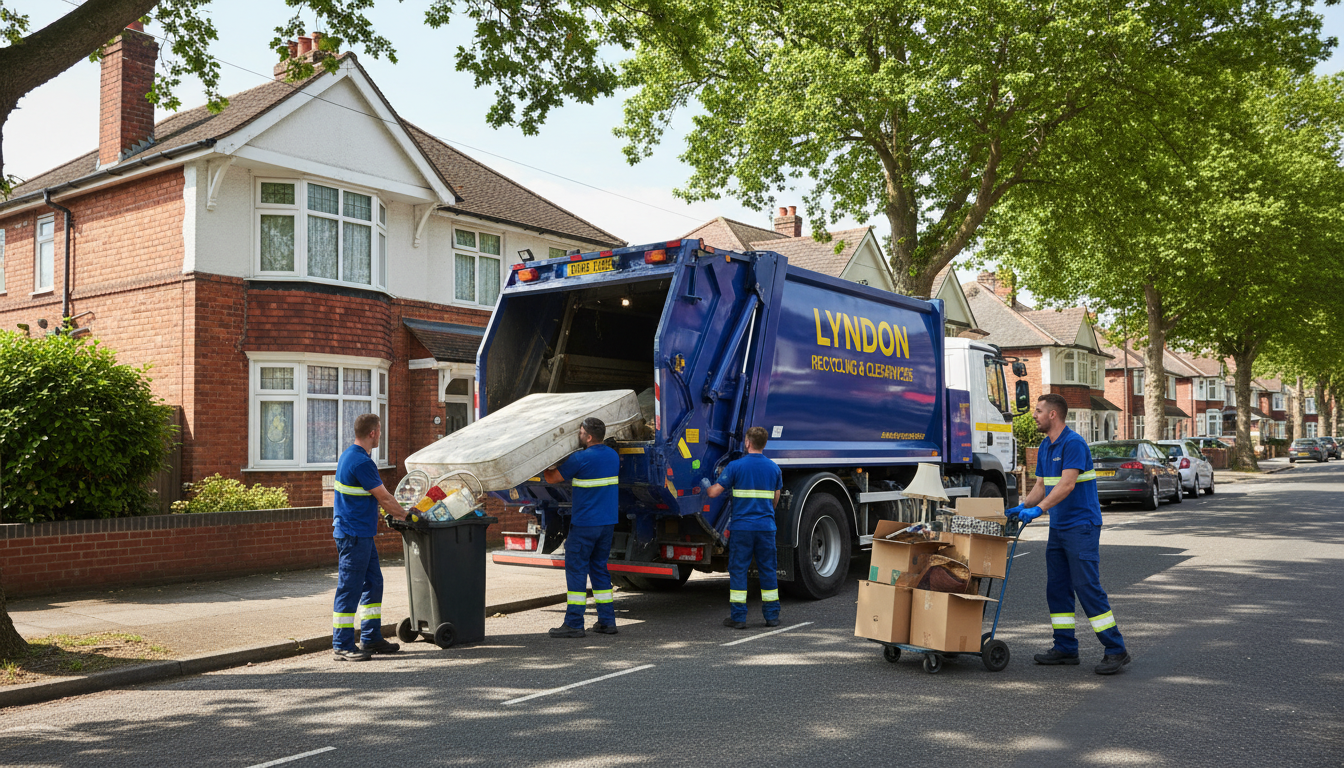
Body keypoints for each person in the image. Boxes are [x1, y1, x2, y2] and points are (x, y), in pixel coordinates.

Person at [1008, 393, 1131, 675]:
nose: (1034, 415)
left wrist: (1037, 510)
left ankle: (1116, 649)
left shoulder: (1073, 443)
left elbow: (1066, 485)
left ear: (1053, 414)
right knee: (1057, 588)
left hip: (1081, 526)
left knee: (1086, 586)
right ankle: (1065, 647)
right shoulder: (1045, 446)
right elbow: (1042, 484)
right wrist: (1021, 506)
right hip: (1060, 527)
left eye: (1038, 411)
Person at [331, 413, 409, 662]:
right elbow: (384, 497)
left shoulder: (349, 455)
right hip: (353, 534)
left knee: (373, 582)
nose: (380, 435)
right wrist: (407, 516)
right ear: (373, 433)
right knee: (350, 588)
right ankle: (342, 644)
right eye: (380, 431)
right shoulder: (362, 462)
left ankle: (371, 638)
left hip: (360, 533)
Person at [543, 417, 620, 638]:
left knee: (577, 570)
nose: (578, 434)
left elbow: (551, 478)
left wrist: (549, 462)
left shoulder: (580, 459)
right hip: (607, 524)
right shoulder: (613, 456)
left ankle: (574, 624)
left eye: (580, 431)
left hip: (585, 524)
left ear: (587, 436)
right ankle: (607, 622)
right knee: (599, 569)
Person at [708, 426, 783, 629]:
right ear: (764, 444)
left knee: (739, 570)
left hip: (742, 528)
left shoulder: (736, 466)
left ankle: (739, 618)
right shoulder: (774, 468)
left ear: (747, 443)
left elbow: (714, 493)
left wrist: (705, 484)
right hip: (766, 527)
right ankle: (772, 617)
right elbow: (775, 500)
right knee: (768, 569)